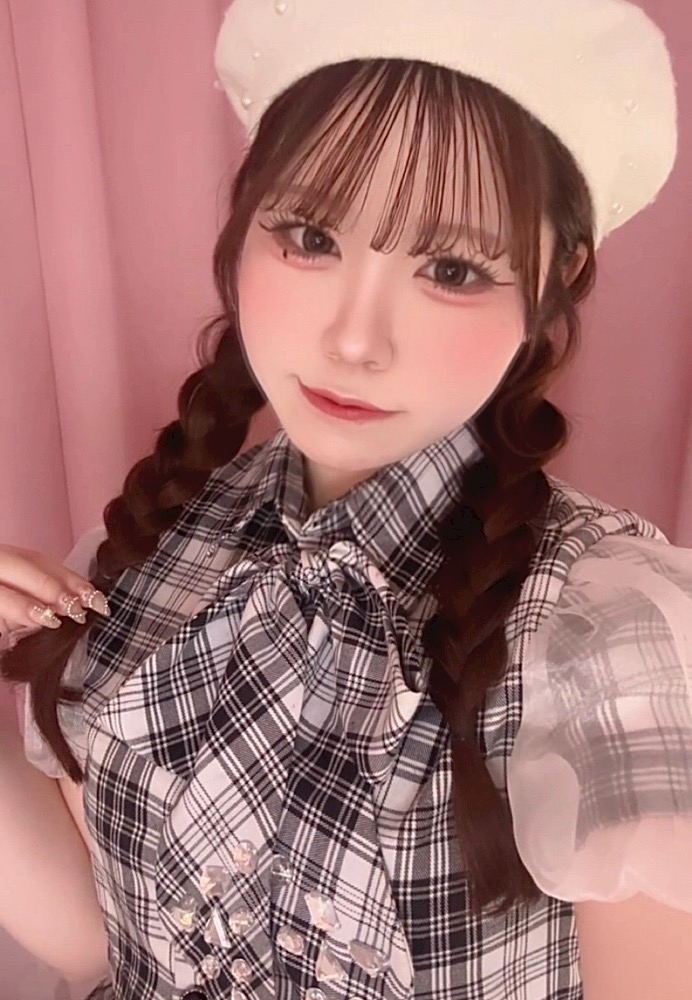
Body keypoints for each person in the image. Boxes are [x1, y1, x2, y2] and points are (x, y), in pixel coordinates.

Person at [0, 0, 691, 997]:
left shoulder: (608, 632)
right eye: (311, 235)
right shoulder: (159, 543)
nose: (354, 339)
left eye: (450, 268)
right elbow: (97, 945)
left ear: (556, 279)